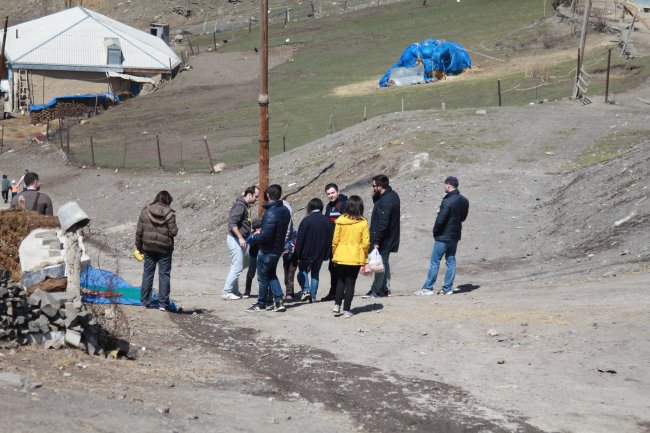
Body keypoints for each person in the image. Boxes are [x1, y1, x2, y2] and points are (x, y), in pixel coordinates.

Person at [415, 176, 469, 296]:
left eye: (445, 185)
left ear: (449, 185)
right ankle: (447, 288)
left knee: (435, 261)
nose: (444, 187)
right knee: (451, 260)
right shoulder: (464, 200)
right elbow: (463, 218)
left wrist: (435, 231)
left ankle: (428, 288)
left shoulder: (447, 201)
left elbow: (441, 220)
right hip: (455, 235)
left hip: (443, 236)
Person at [246, 184, 291, 313]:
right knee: (271, 274)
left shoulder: (270, 212)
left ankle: (261, 303)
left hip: (267, 249)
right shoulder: (285, 210)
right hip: (278, 248)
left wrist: (254, 237)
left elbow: (266, 235)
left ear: (267, 196)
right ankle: (279, 301)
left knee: (262, 278)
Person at [135, 190, 178, 311]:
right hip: (164, 249)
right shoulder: (170, 214)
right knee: (164, 275)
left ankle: (144, 302)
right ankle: (163, 304)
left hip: (148, 248)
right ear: (168, 201)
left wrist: (139, 247)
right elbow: (174, 232)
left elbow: (139, 232)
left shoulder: (145, 211)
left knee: (148, 274)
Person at [362, 174, 400, 299]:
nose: (372, 188)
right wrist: (375, 197)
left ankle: (376, 290)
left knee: (378, 265)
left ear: (379, 186)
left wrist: (376, 240)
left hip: (384, 239)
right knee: (384, 263)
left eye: (374, 186)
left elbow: (383, 222)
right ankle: (385, 288)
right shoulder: (392, 195)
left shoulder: (386, 200)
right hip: (389, 237)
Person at [332, 195, 370, 318]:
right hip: (355, 256)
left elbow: (335, 240)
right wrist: (364, 257)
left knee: (340, 280)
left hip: (341, 254)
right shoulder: (363, 222)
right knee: (350, 283)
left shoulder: (340, 220)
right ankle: (347, 310)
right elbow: (366, 243)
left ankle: (337, 305)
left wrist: (335, 253)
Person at [223, 186, 259, 300]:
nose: (257, 199)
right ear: (249, 195)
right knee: (237, 266)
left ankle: (234, 291)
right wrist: (240, 237)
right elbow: (232, 223)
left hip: (241, 240)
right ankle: (226, 292)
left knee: (243, 263)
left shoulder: (245, 205)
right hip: (235, 239)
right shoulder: (240, 205)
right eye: (256, 196)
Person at [294, 198, 333, 303]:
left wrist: (297, 252)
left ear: (310, 207)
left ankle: (306, 290)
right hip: (320, 253)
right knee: (315, 274)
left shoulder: (306, 220)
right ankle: (313, 296)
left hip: (306, 252)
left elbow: (300, 238)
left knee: (302, 271)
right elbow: (331, 238)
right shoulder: (327, 220)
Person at [320, 183, 348, 302]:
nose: (331, 196)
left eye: (332, 193)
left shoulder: (344, 204)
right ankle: (334, 291)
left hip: (342, 242)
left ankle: (339, 292)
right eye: (328, 194)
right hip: (332, 242)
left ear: (338, 191)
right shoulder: (329, 206)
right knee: (332, 267)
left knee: (340, 268)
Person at [244, 218, 262, 299]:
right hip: (253, 256)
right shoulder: (252, 234)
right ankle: (247, 291)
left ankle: (262, 292)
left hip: (261, 256)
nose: (259, 229)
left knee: (261, 275)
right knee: (250, 273)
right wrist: (255, 235)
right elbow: (249, 241)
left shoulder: (264, 233)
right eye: (257, 228)